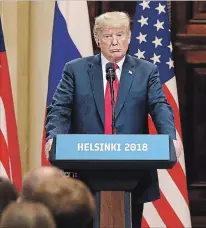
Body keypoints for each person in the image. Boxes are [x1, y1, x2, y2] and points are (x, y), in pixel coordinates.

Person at [44, 11, 181, 228]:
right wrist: (53, 137)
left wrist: (170, 137)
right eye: (108, 36)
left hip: (132, 173)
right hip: (85, 173)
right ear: (97, 39)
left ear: (129, 37)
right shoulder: (75, 70)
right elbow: (60, 108)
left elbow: (159, 107)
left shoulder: (146, 71)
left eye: (120, 34)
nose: (115, 41)